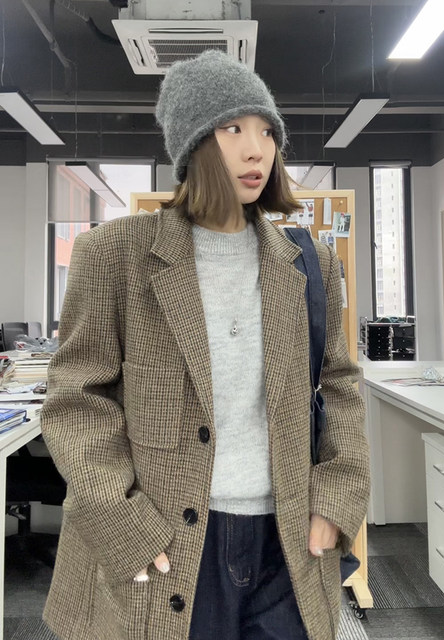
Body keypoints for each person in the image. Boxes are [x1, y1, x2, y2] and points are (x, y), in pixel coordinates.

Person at [41, 50, 370, 640]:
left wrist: (336, 498)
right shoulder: (115, 254)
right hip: (167, 536)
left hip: (289, 540)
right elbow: (76, 401)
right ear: (192, 143)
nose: (257, 150)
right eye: (233, 128)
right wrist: (122, 522)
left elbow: (339, 385)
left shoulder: (310, 263)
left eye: (267, 131)